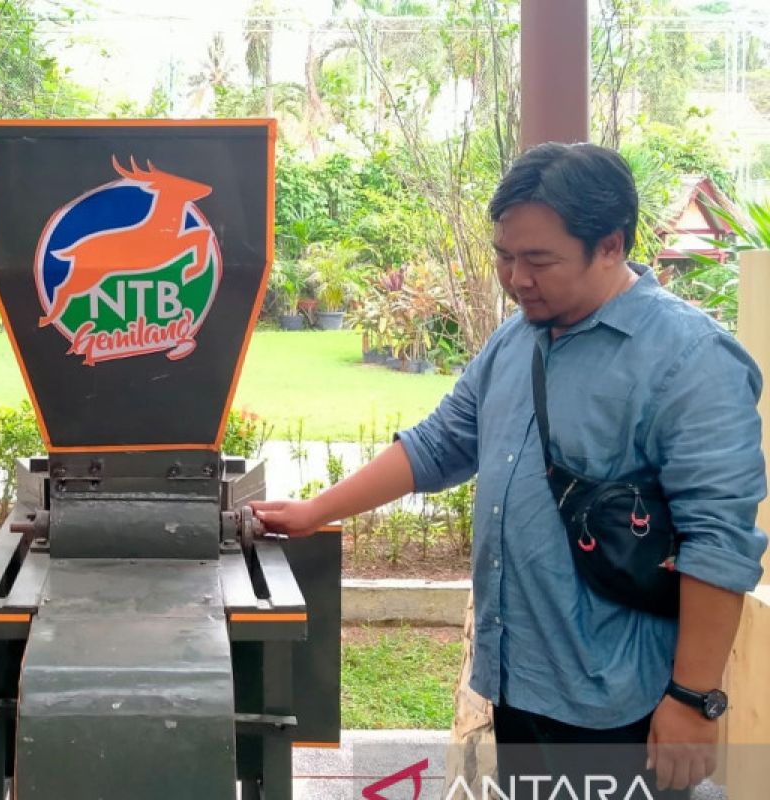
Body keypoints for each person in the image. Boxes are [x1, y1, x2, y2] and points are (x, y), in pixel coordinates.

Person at [254, 142, 767, 798]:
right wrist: (315, 512)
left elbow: (719, 542)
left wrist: (694, 701)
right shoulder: (516, 339)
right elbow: (439, 444)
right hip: (519, 679)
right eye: (504, 256)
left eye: (539, 261)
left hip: (619, 698)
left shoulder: (691, 361)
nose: (516, 278)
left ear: (610, 245)